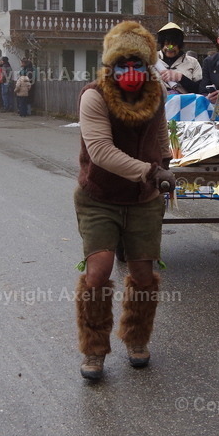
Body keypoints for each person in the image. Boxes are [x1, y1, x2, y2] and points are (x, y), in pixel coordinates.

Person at [73, 20, 174, 381]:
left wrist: (164, 164)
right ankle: (94, 349)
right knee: (97, 274)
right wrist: (150, 172)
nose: (130, 71)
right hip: (99, 198)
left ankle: (137, 339)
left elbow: (161, 135)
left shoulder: (156, 93)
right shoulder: (94, 96)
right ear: (110, 66)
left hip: (143, 200)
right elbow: (100, 151)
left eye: (137, 64)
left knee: (144, 275)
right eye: (122, 64)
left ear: (146, 66)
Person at [153, 22, 202, 95]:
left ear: (180, 45)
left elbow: (200, 89)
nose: (170, 48)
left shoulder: (193, 62)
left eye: (174, 44)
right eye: (167, 44)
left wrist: (181, 78)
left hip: (185, 103)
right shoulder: (151, 60)